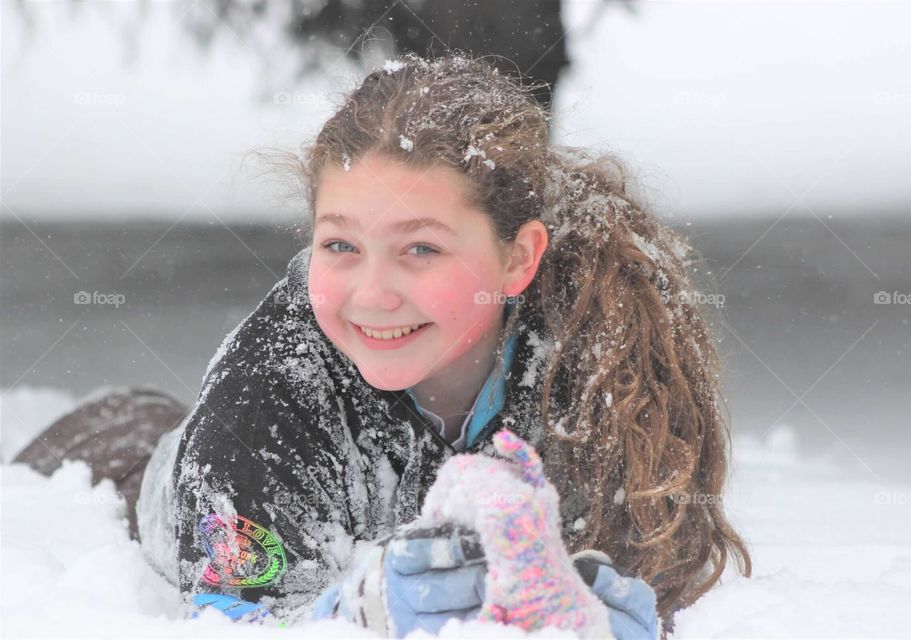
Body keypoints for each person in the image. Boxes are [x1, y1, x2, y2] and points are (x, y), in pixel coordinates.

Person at [18, 52, 751, 638]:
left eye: (420, 250)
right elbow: (230, 617)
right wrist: (354, 616)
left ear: (519, 259)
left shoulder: (599, 365)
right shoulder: (266, 393)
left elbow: (649, 571)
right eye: (340, 245)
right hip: (114, 458)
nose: (372, 293)